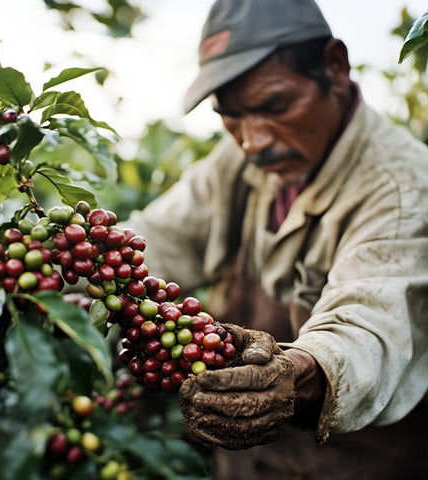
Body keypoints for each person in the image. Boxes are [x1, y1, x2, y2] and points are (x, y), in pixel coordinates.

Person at [122, 0, 428, 478]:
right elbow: (152, 243)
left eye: (276, 105)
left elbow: (369, 326)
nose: (253, 141)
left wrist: (303, 371)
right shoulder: (238, 163)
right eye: (232, 116)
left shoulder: (403, 187)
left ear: (335, 67)